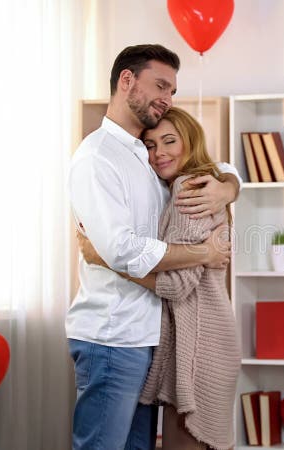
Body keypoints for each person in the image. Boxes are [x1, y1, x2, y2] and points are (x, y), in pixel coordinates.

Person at [66, 44, 241, 450]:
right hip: (113, 337)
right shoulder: (98, 158)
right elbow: (121, 250)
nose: (167, 97)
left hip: (147, 339)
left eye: (173, 91)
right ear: (126, 80)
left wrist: (228, 186)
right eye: (160, 85)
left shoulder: (143, 158)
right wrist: (203, 254)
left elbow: (211, 166)